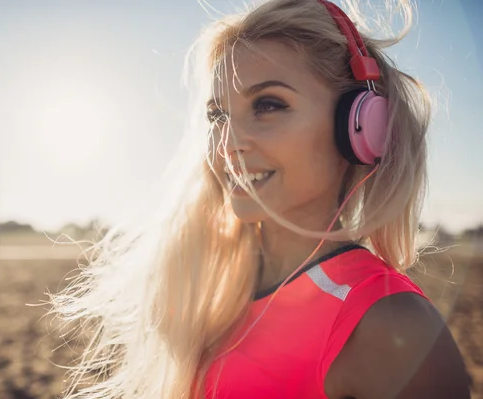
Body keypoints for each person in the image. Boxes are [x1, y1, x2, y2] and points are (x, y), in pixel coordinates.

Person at [49, 0, 472, 398]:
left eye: (268, 105)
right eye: (218, 115)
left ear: (361, 127)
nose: (227, 144)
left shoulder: (393, 325)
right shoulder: (211, 294)